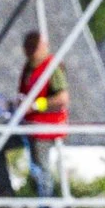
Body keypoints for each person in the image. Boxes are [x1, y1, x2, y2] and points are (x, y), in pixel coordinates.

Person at [17, 30, 69, 196]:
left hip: (46, 127)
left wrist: (35, 105)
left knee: (41, 169)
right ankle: (7, 193)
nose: (31, 52)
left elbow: (62, 98)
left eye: (34, 47)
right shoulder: (29, 67)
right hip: (28, 126)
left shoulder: (52, 67)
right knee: (34, 171)